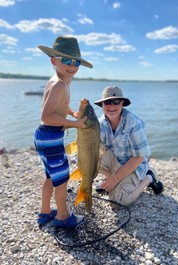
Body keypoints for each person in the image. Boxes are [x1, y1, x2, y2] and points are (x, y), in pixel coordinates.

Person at [34, 36, 93, 228]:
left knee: (51, 176)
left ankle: (44, 212)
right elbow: (47, 115)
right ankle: (62, 216)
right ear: (53, 61)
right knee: (62, 181)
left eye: (76, 62)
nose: (72, 65)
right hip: (50, 136)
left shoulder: (63, 81)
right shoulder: (59, 85)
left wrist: (72, 113)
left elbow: (58, 106)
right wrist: (75, 124)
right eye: (66, 60)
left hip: (45, 136)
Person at [94, 86, 163, 208]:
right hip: (115, 162)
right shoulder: (100, 124)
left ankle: (148, 177)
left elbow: (140, 157)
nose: (112, 106)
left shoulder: (133, 122)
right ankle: (118, 180)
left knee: (118, 202)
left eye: (116, 102)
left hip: (135, 165)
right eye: (107, 102)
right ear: (102, 105)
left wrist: (115, 179)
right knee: (88, 158)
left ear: (122, 104)